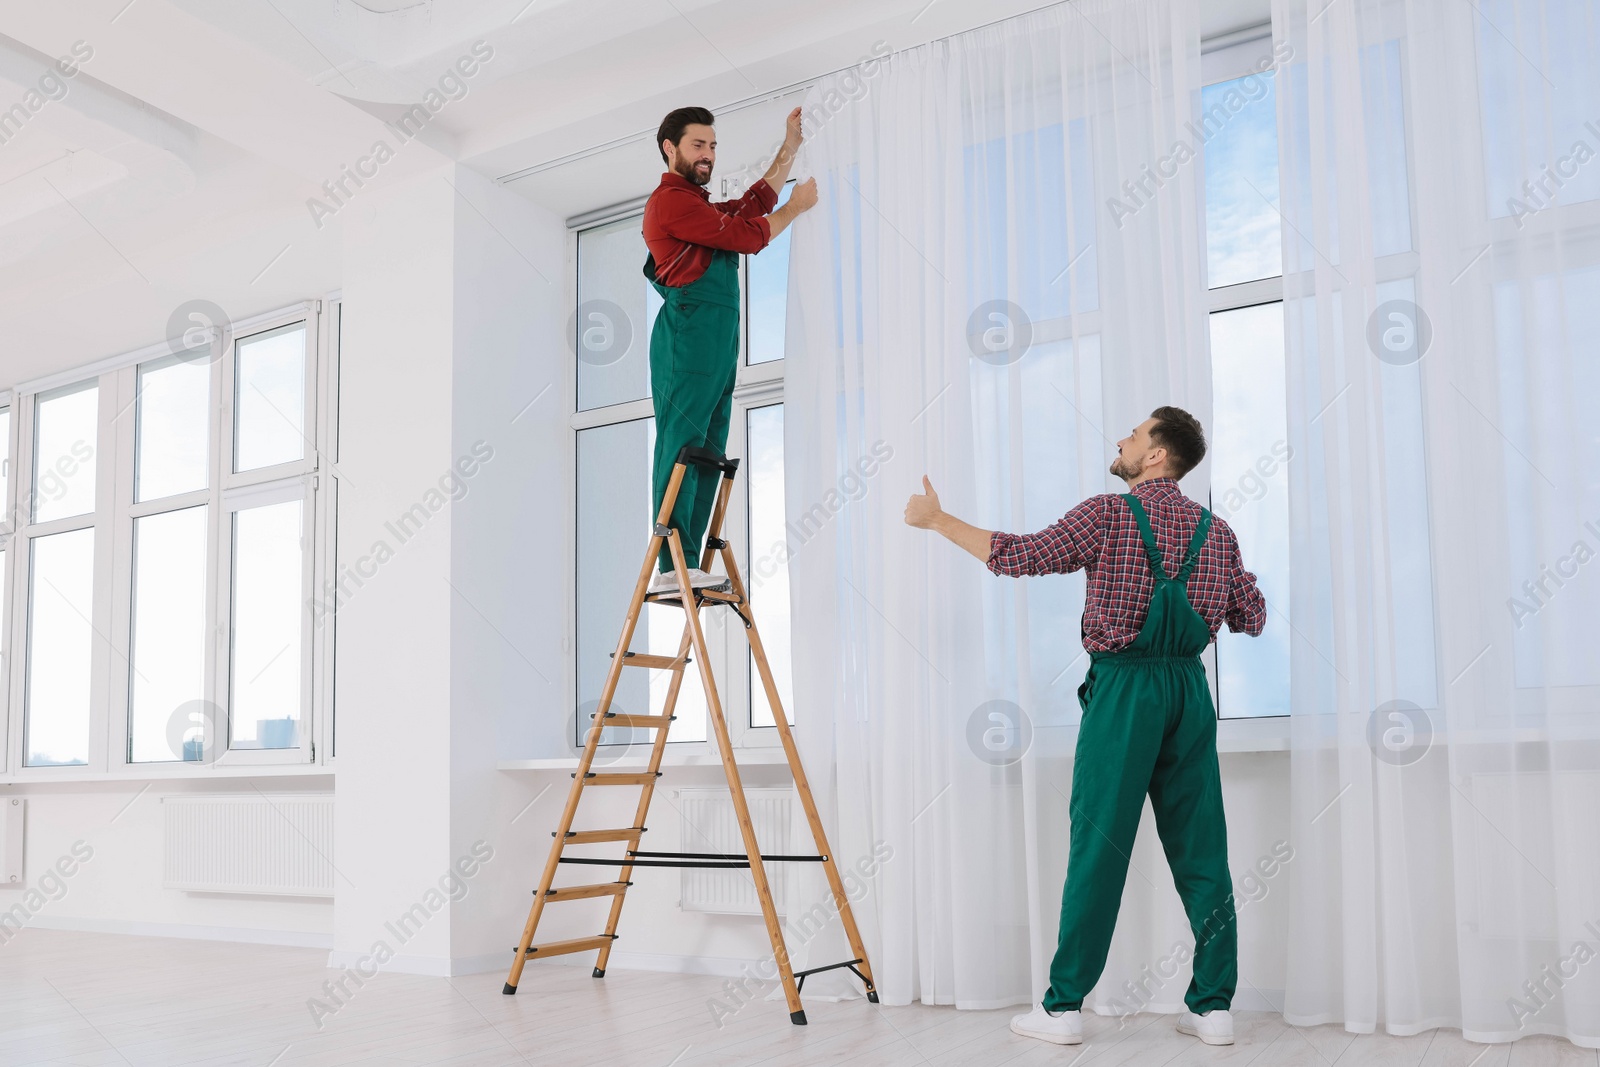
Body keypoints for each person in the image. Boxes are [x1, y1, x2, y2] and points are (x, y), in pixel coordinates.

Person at [903, 406, 1267, 1047]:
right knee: (1202, 851)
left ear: (1156, 454)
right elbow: (1252, 616)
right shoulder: (1219, 531)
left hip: (1125, 692)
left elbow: (1019, 557)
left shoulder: (1107, 514)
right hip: (1188, 691)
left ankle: (1064, 1007)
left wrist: (937, 521)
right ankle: (1213, 1008)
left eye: (1135, 433)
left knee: (1099, 846)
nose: (1123, 439)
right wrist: (1218, 581)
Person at [642, 105, 818, 593]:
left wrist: (790, 147)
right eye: (698, 145)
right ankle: (667, 566)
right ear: (670, 148)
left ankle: (688, 559)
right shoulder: (670, 202)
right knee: (681, 445)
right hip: (688, 335)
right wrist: (796, 206)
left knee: (707, 451)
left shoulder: (697, 206)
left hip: (717, 340)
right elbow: (743, 234)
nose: (708, 154)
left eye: (713, 146)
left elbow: (748, 206)